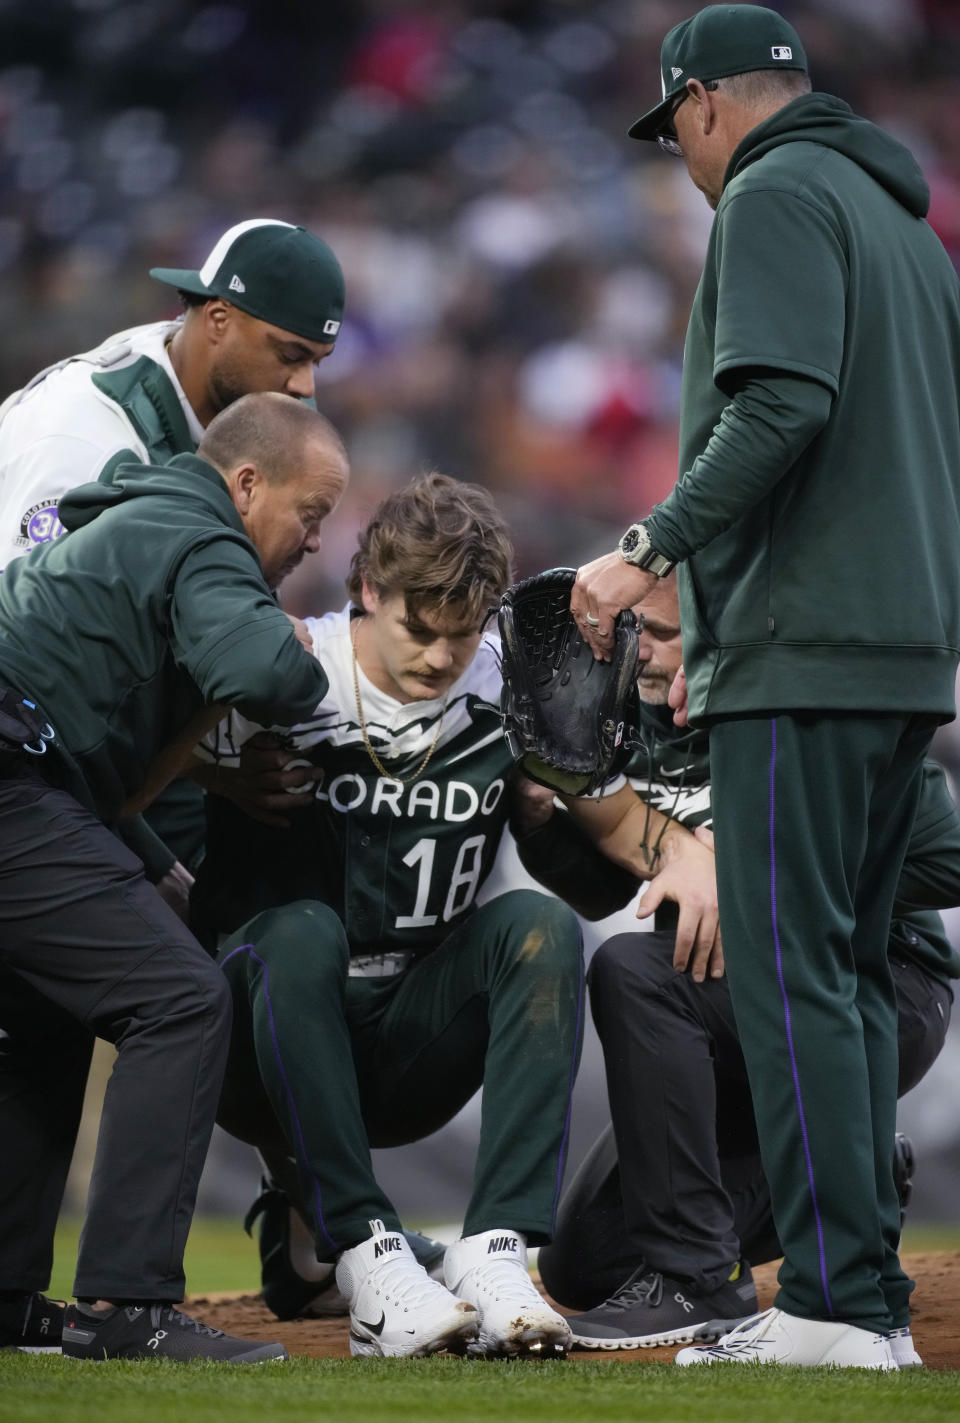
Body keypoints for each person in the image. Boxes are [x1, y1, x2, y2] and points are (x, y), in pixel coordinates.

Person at [571, 4, 960, 1369]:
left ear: (706, 106)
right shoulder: (906, 229)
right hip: (900, 647)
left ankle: (830, 1309)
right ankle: (864, 1301)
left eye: (674, 128)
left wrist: (651, 548)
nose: (680, 155)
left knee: (795, 983)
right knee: (844, 981)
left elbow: (782, 408)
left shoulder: (777, 193)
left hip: (810, 653)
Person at [188, 473, 719, 1360]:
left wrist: (692, 858)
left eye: (462, 630)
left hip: (411, 1040)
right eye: (418, 628)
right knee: (298, 929)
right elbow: (126, 771)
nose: (440, 657)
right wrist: (212, 771)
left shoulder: (509, 685)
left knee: (538, 929)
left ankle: (495, 1254)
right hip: (262, 1044)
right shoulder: (282, 670)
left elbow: (621, 823)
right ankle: (364, 1253)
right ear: (368, 589)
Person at [529, 575, 957, 1369]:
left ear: (723, 634)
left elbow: (948, 855)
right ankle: (863, 1170)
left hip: (879, 988)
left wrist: (760, 862)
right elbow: (600, 890)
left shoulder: (790, 708)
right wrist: (536, 815)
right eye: (630, 631)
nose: (638, 651)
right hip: (725, 1007)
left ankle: (695, 1279)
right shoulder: (629, 719)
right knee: (580, 1262)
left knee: (633, 973)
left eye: (657, 631)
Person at [0, 392, 349, 1361]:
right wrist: (323, 657)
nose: (315, 543)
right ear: (245, 484)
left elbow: (108, 788)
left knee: (42, 1018)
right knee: (181, 1001)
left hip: (29, 777)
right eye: (310, 514)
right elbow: (271, 674)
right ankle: (128, 1305)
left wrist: (153, 866)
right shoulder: (199, 530)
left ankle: (7, 1295)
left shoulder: (138, 517)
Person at [0, 215, 345, 888]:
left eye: (317, 362)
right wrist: (158, 863)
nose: (306, 385)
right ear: (217, 318)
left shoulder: (224, 419)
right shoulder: (82, 435)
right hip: (37, 774)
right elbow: (43, 682)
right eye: (290, 353)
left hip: (128, 764)